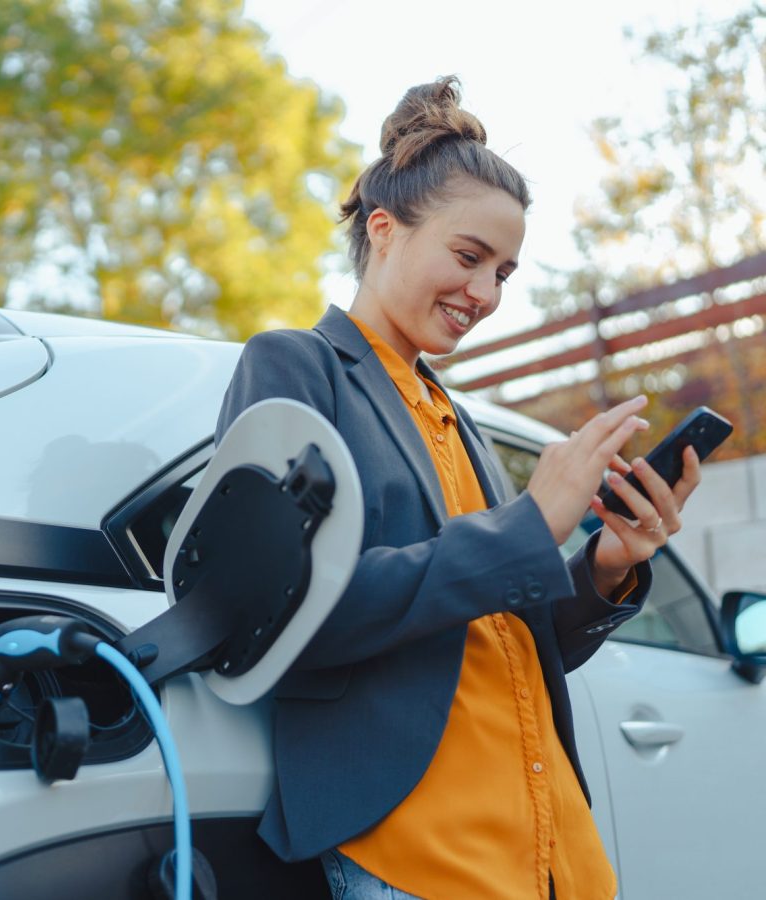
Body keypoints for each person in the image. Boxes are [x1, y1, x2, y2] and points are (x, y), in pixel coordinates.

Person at [214, 76, 702, 900]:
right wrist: (530, 525)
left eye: (504, 272)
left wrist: (605, 567)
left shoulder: (456, 415)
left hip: (551, 851)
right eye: (469, 257)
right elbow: (285, 612)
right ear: (384, 229)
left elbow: (509, 639)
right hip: (420, 852)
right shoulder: (295, 366)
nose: (486, 295)